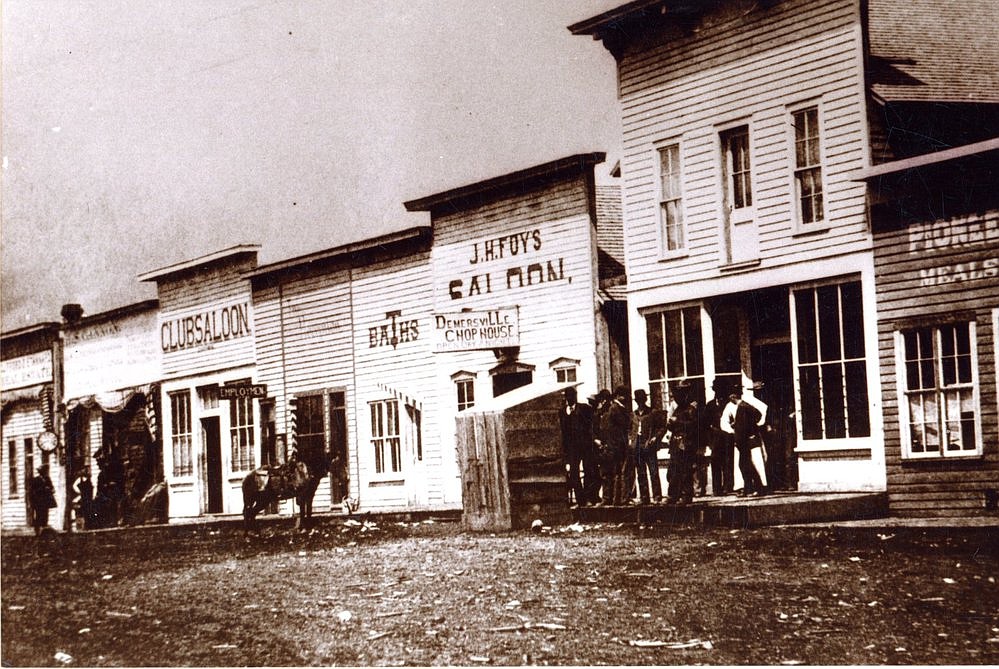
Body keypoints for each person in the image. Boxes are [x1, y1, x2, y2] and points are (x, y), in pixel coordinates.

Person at [721, 386, 766, 496]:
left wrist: (749, 428)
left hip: (744, 442)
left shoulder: (742, 407)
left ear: (733, 396)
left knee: (745, 465)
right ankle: (751, 488)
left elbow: (743, 427)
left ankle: (755, 488)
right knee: (745, 465)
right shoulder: (745, 406)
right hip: (745, 441)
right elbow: (757, 415)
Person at [559, 386, 599, 507]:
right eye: (570, 396)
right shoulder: (562, 412)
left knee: (589, 471)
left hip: (585, 446)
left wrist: (592, 440)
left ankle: (589, 497)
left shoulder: (585, 408)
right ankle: (580, 500)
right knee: (574, 473)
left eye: (574, 396)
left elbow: (592, 424)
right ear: (566, 398)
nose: (572, 398)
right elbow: (563, 431)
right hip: (571, 449)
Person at [664, 380, 701, 505]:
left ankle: (686, 495)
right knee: (673, 470)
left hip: (686, 443)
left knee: (685, 470)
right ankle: (673, 494)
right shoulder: (679, 409)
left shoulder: (691, 409)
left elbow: (693, 426)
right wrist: (670, 424)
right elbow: (671, 426)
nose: (677, 397)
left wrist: (677, 422)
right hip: (676, 443)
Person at [632, 389, 666, 504]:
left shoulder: (652, 413)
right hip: (637, 446)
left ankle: (657, 496)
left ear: (645, 400)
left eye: (642, 400)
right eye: (638, 400)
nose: (640, 402)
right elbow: (630, 430)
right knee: (641, 473)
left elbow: (662, 428)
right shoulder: (634, 414)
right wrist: (630, 440)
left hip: (649, 445)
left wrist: (655, 438)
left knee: (653, 471)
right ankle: (644, 497)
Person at [603, 386, 633, 505]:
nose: (626, 398)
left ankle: (618, 499)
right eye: (624, 395)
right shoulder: (616, 409)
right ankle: (621, 499)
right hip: (618, 446)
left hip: (617, 446)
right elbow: (622, 426)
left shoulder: (616, 408)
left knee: (619, 472)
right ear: (618, 396)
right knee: (622, 472)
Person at [704, 378, 735, 496]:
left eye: (720, 390)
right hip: (715, 438)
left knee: (728, 461)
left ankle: (728, 486)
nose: (718, 392)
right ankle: (717, 488)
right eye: (716, 390)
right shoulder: (710, 405)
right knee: (715, 462)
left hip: (728, 437)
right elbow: (705, 423)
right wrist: (710, 440)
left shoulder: (729, 404)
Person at [28, 464, 57, 536]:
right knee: (38, 516)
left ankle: (44, 530)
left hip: (46, 501)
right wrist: (43, 489)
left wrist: (51, 489)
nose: (44, 473)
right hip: (38, 501)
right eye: (43, 471)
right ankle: (37, 531)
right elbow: (33, 491)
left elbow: (52, 488)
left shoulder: (47, 479)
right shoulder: (36, 480)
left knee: (45, 515)